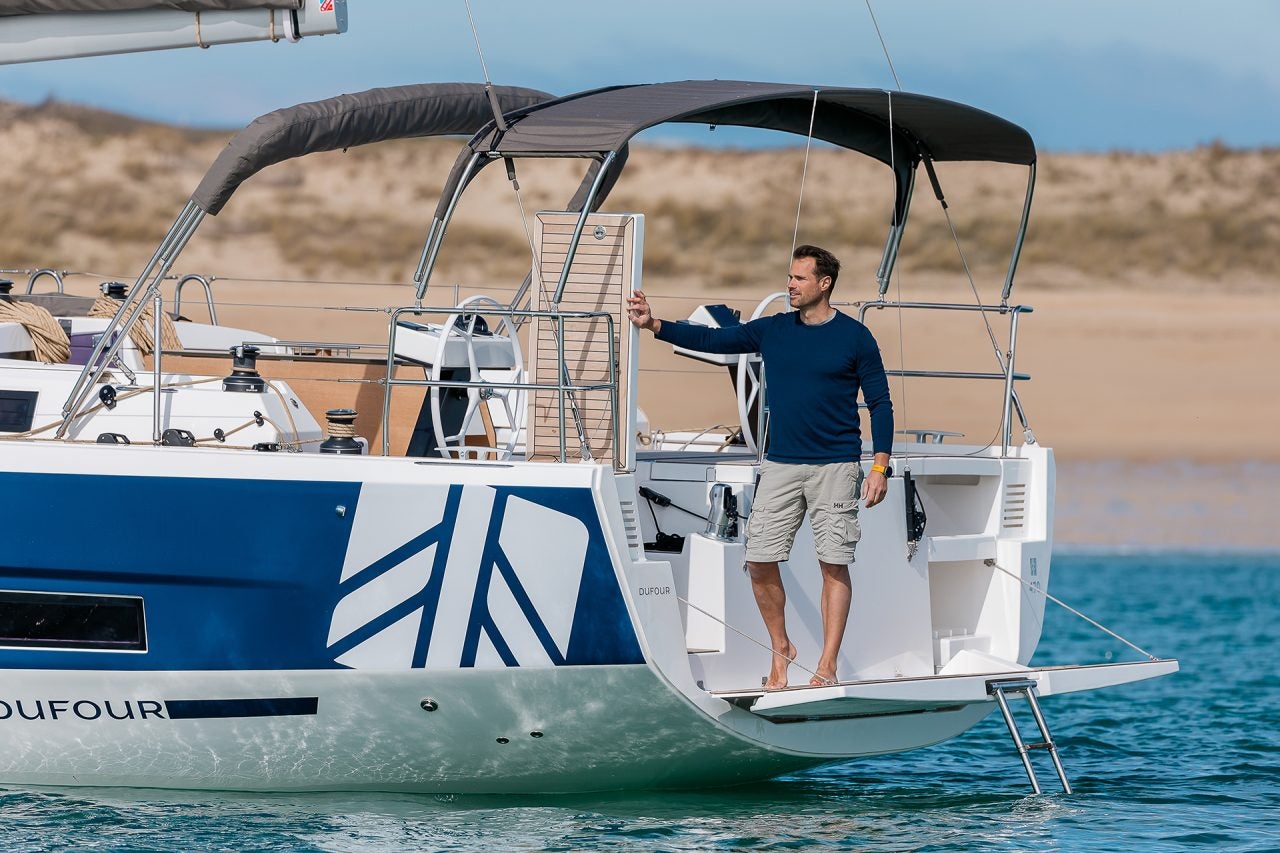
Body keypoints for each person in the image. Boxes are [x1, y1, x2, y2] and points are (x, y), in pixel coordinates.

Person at [626, 245, 893, 689]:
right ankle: (781, 648)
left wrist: (880, 466)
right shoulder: (773, 330)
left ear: (824, 284)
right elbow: (714, 340)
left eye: (799, 278)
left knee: (833, 563)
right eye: (790, 277)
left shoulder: (855, 337)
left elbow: (881, 403)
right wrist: (655, 324)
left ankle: (826, 664)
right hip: (781, 465)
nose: (790, 285)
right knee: (759, 559)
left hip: (837, 465)